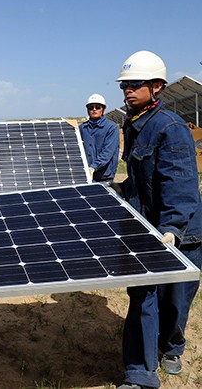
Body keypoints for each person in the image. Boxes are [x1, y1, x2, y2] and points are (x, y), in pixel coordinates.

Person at [115, 51, 202, 389]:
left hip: (181, 232)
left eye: (135, 84)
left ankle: (172, 347)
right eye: (124, 85)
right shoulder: (134, 123)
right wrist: (120, 189)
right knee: (143, 299)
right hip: (146, 228)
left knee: (175, 302)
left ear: (156, 86)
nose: (128, 90)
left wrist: (172, 228)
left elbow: (180, 184)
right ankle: (140, 374)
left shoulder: (170, 128)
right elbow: (142, 179)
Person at [79, 93, 120, 182]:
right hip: (87, 176)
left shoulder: (111, 127)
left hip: (104, 176)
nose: (94, 109)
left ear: (103, 109)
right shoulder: (82, 128)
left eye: (97, 107)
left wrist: (93, 167)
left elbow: (108, 152)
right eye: (91, 107)